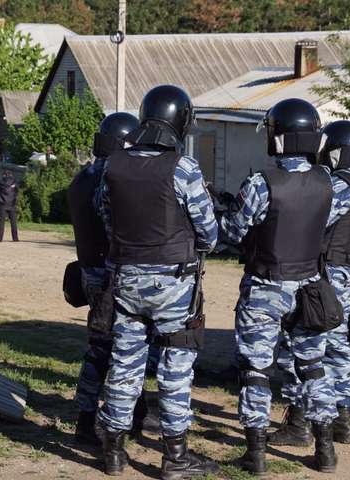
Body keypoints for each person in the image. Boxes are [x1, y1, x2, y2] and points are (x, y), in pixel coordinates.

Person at [220, 98, 350, 474]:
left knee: (256, 369)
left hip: (265, 288)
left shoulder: (261, 183)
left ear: (278, 137)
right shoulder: (331, 183)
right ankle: (325, 450)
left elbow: (232, 231)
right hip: (311, 289)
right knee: (313, 366)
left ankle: (256, 455)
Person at [95, 85, 219, 479]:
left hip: (126, 280)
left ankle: (114, 452)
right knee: (175, 368)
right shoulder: (184, 168)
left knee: (124, 363)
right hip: (173, 284)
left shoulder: (113, 164)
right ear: (180, 122)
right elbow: (209, 234)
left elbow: (106, 217)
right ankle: (175, 458)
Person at [272, 120, 350, 447]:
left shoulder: (339, 187)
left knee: (301, 345)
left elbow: (311, 218)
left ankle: (298, 423)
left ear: (335, 153)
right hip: (347, 275)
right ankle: (341, 421)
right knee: (336, 346)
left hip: (322, 276)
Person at [67, 112, 161, 446]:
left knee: (109, 346)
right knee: (119, 347)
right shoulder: (111, 178)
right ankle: (93, 419)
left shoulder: (83, 176)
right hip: (112, 274)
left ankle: (119, 412)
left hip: (91, 272)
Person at [0, 171, 19, 242]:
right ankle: (15, 238)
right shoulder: (14, 182)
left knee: (2, 222)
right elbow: (17, 192)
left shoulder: (0, 183)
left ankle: (0, 238)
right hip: (12, 204)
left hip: (3, 204)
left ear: (4, 175)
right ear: (11, 175)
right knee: (13, 222)